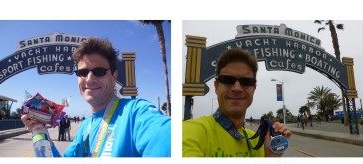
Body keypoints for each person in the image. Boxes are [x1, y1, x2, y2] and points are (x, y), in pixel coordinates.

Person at [21, 38, 170, 157]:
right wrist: (40, 132)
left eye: (99, 71)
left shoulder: (136, 112)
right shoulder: (85, 128)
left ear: (114, 76)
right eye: (83, 72)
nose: (89, 78)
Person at [182, 48, 293, 157]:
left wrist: (272, 157)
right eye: (227, 80)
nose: (237, 88)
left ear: (254, 88)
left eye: (246, 81)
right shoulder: (189, 132)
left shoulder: (258, 141)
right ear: (216, 86)